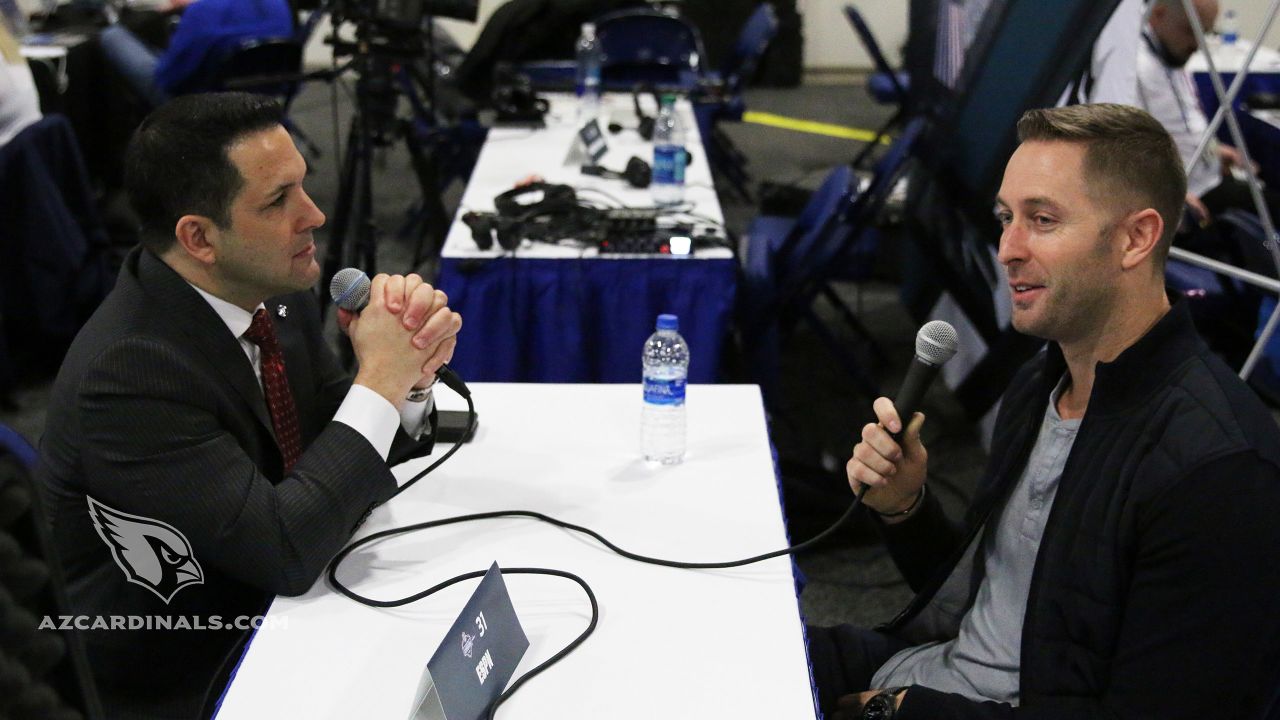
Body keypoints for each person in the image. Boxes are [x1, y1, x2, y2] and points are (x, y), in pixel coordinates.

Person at [808, 103, 1280, 719]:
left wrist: (900, 710)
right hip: (924, 668)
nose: (1007, 248)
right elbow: (995, 606)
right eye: (1006, 218)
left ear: (1136, 238)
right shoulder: (1041, 384)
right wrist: (905, 507)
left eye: (1043, 220)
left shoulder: (1218, 469)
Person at [35, 92, 461, 718]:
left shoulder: (267, 292)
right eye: (277, 201)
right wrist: (378, 379)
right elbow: (283, 551)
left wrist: (410, 380)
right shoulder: (129, 374)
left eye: (303, 188)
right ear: (200, 237)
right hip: (188, 664)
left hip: (290, 598)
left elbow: (325, 441)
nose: (314, 215)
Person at [1137, 0, 1275, 227]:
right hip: (1185, 193)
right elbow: (1119, 145)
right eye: (1191, 31)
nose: (1198, 45)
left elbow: (1181, 122)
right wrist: (1162, 194)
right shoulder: (1131, 68)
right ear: (1158, 14)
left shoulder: (1171, 53)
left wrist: (1214, 151)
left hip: (1206, 176)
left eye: (1205, 34)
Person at [99, 0, 293, 107]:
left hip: (198, 103)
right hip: (266, 91)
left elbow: (168, 79)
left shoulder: (202, 13)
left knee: (112, 36)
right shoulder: (278, 4)